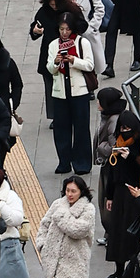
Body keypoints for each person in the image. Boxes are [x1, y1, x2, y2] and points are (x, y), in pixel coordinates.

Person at [99, 115, 140, 278]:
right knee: (117, 232)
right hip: (120, 193)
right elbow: (112, 170)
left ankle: (136, 269)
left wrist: (130, 157)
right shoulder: (118, 143)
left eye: (128, 128)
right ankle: (119, 270)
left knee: (134, 232)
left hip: (137, 192)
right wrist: (109, 196)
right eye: (122, 129)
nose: (124, 132)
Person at [47, 11, 98, 176]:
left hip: (80, 92)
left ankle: (82, 163)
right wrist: (56, 63)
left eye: (67, 29)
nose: (64, 33)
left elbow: (90, 65)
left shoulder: (82, 42)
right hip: (60, 93)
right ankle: (64, 162)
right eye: (61, 29)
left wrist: (73, 61)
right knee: (61, 128)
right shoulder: (54, 45)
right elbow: (50, 69)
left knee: (81, 128)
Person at [30, 0, 83, 126]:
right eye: (51, 4)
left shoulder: (71, 11)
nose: (53, 7)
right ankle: (55, 116)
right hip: (50, 52)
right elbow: (35, 27)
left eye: (55, 4)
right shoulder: (44, 11)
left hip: (69, 51)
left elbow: (83, 26)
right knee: (50, 86)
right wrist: (35, 30)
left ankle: (70, 113)